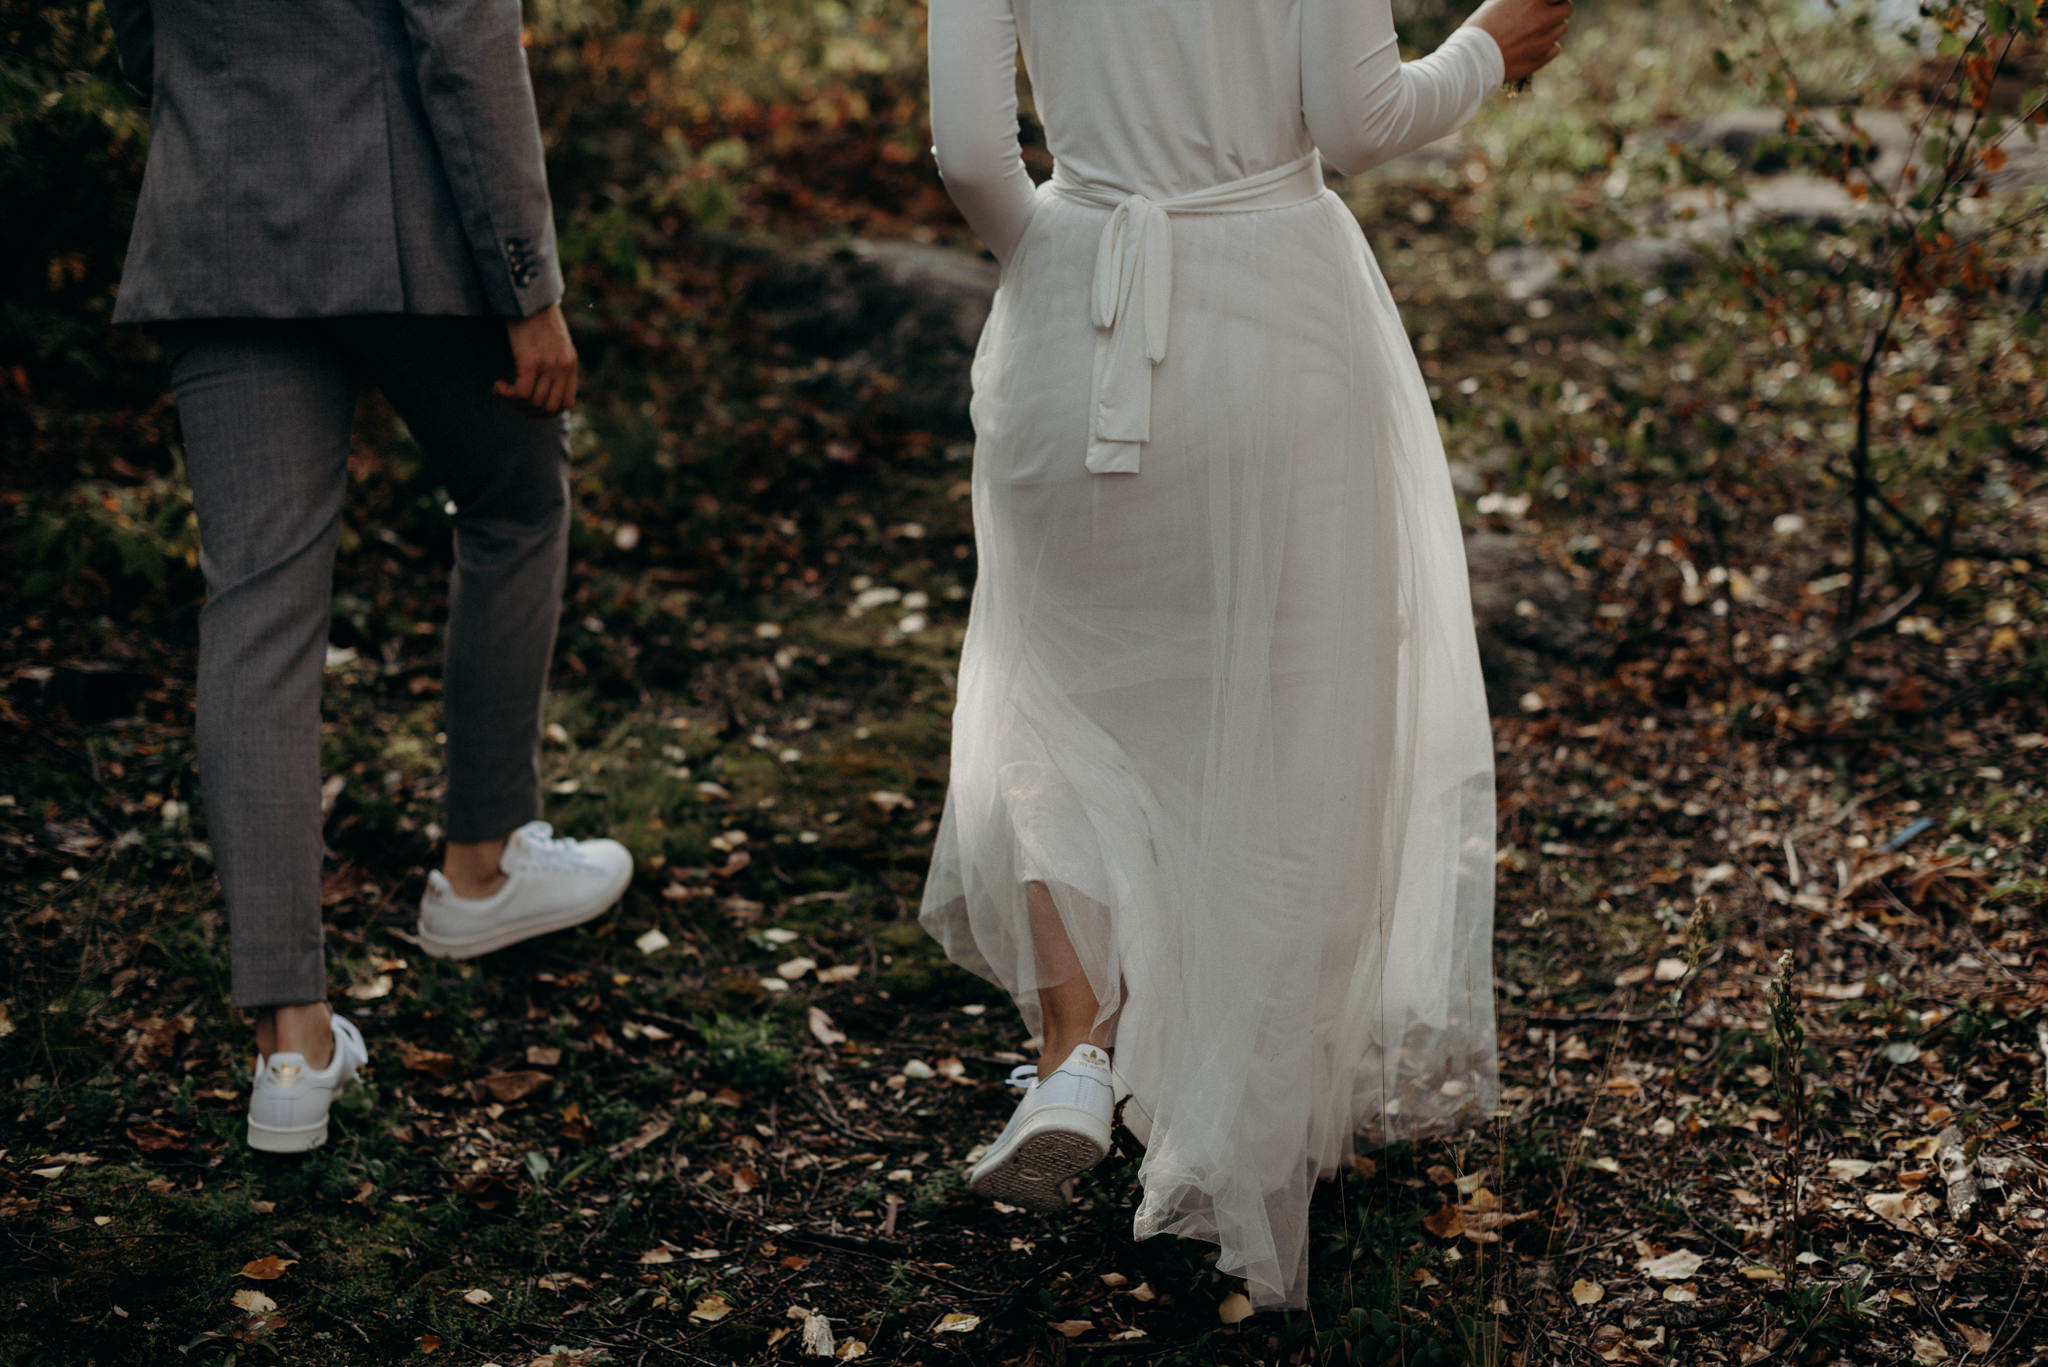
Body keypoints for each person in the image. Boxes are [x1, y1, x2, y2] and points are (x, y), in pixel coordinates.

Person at [920, 0, 1568, 1309]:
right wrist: (1488, 49)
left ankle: (1074, 1057)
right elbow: (1359, 121)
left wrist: (1053, 255)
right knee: (1291, 730)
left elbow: (971, 155)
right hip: (1275, 319)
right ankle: (1237, 1135)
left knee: (1061, 700)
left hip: (1076, 314)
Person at [105, 0, 634, 1154]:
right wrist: (530, 289)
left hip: (215, 223)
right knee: (515, 501)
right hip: (403, 230)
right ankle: (479, 868)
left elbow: (138, 33)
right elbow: (467, 41)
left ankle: (288, 1051)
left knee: (255, 609)